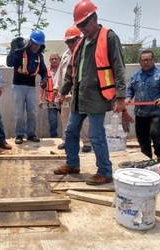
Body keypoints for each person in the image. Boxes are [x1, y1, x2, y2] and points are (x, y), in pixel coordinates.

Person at [54, 0, 127, 186]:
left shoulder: (109, 37)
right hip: (79, 97)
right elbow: (72, 72)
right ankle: (72, 164)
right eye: (79, 25)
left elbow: (119, 67)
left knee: (95, 135)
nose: (82, 28)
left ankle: (104, 171)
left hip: (98, 97)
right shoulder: (80, 44)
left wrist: (120, 97)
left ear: (94, 18)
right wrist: (62, 93)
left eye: (84, 24)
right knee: (70, 132)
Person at [126, 50, 160, 163]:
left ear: (153, 60)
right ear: (140, 62)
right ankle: (147, 159)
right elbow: (130, 89)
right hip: (140, 112)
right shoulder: (136, 75)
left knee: (155, 134)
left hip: (155, 112)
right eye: (143, 60)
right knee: (142, 138)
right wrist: (128, 97)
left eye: (148, 60)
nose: (145, 62)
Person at [6, 29, 48, 144]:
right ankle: (19, 134)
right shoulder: (20, 53)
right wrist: (12, 50)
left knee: (33, 111)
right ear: (30, 42)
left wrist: (45, 80)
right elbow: (9, 63)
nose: (36, 47)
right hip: (18, 86)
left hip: (31, 87)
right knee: (19, 112)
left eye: (39, 45)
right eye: (34, 44)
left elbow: (44, 71)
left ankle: (31, 134)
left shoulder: (40, 57)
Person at [54, 26, 92, 152]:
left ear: (79, 39)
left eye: (72, 41)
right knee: (64, 118)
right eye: (68, 42)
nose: (70, 44)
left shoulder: (85, 53)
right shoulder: (65, 55)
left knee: (84, 120)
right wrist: (57, 89)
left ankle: (87, 143)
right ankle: (66, 141)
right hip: (66, 94)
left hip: (81, 93)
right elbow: (60, 73)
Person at [39, 52, 61, 138]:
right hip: (51, 100)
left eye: (56, 58)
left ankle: (66, 138)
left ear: (59, 60)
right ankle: (54, 137)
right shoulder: (46, 71)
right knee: (52, 120)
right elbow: (42, 86)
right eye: (52, 59)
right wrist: (40, 99)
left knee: (66, 120)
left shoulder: (63, 70)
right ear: (50, 60)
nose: (54, 60)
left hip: (63, 99)